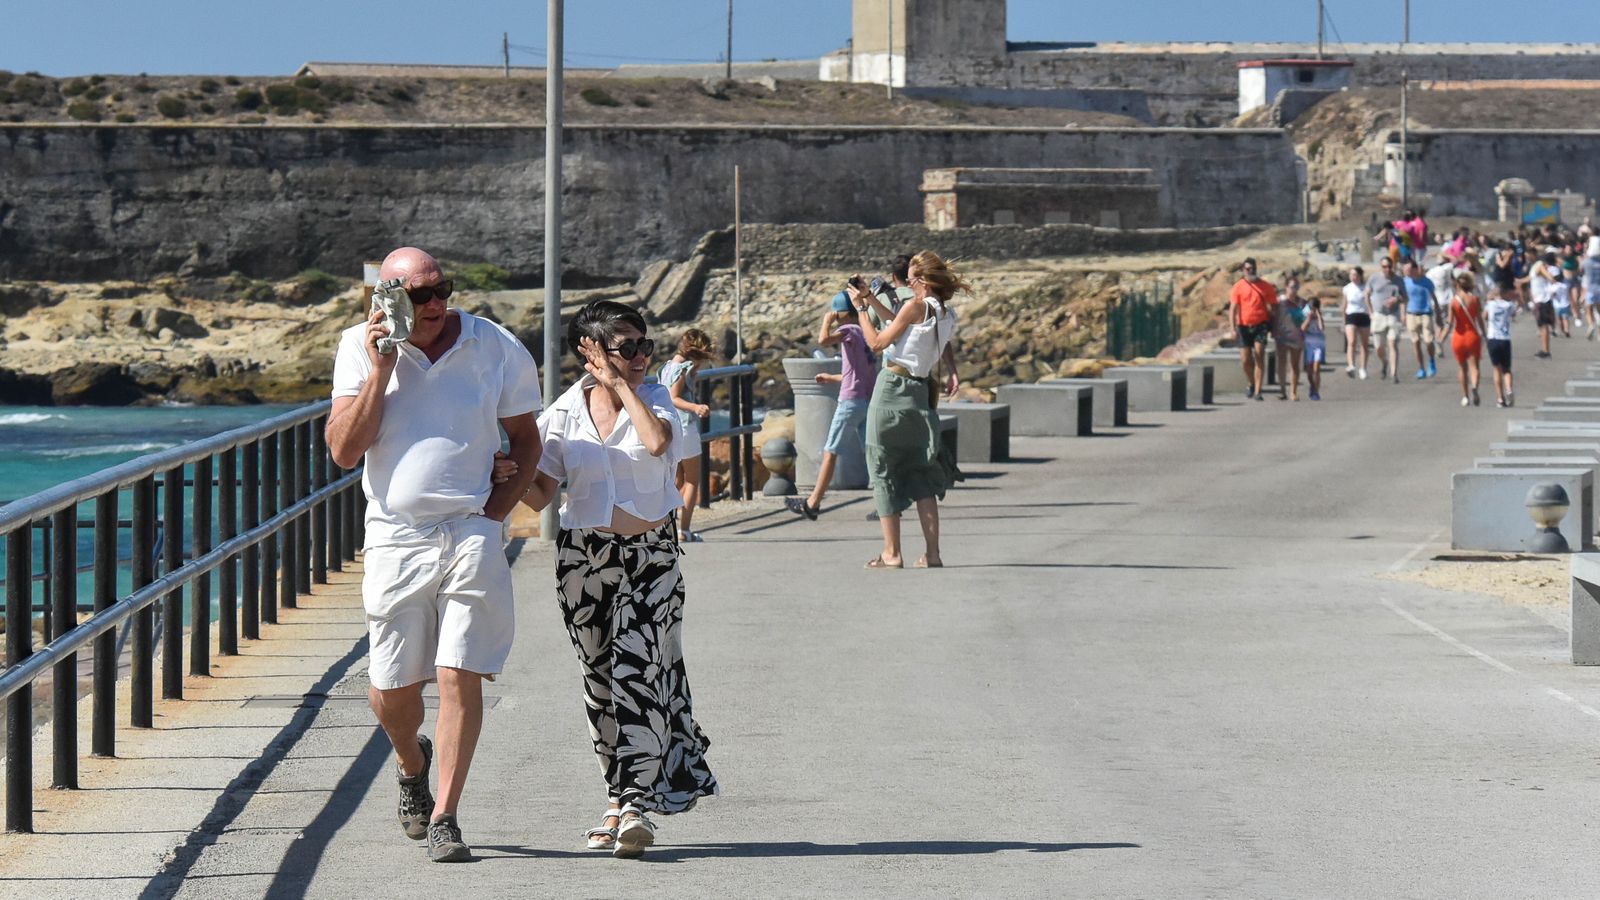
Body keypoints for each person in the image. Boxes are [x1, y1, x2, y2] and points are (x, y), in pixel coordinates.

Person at [326, 247, 543, 863]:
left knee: (458, 671)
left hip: (472, 527)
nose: (435, 303)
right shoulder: (357, 347)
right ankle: (410, 760)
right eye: (418, 295)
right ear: (386, 298)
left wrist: (495, 515)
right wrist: (378, 369)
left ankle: (446, 814)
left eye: (442, 288)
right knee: (392, 686)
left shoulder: (493, 344)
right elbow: (344, 451)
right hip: (395, 533)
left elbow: (526, 439)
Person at [514, 300, 717, 859]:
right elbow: (539, 496)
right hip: (583, 557)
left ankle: (636, 803)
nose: (641, 356)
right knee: (600, 678)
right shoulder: (561, 414)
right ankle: (616, 796)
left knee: (641, 667)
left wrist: (621, 382)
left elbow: (656, 446)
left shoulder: (655, 400)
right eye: (626, 347)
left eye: (644, 344)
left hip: (651, 555)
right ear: (590, 350)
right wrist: (505, 462)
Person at [852, 250, 963, 568]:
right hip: (919, 393)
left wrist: (860, 309)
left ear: (925, 282)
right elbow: (904, 326)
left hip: (891, 391)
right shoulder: (944, 312)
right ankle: (933, 554)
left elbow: (877, 342)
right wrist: (871, 298)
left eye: (914, 280)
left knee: (883, 468)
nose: (910, 285)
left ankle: (892, 552)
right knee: (921, 471)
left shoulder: (915, 306)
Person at [788, 291, 875, 520]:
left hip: (850, 402)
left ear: (842, 313)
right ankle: (886, 502)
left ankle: (812, 502)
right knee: (873, 452)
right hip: (867, 399)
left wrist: (827, 320)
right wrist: (832, 378)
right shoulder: (866, 331)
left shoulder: (849, 330)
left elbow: (823, 341)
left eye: (837, 312)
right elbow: (858, 373)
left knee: (830, 451)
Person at [659, 328, 715, 542]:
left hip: (669, 427)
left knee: (676, 480)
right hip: (685, 427)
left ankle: (669, 528)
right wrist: (695, 407)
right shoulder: (682, 369)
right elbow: (674, 397)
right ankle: (684, 530)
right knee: (692, 481)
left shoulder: (666, 368)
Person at [1229, 258, 1277, 401]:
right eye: (1248, 269)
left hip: (1261, 325)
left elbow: (1274, 307)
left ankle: (1258, 391)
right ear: (1243, 271)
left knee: (1259, 354)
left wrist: (1274, 326)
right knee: (1245, 360)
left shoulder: (1266, 286)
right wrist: (1232, 329)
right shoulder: (1238, 286)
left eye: (1253, 268)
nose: (1251, 271)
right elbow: (1233, 309)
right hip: (1243, 326)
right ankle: (1251, 382)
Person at [1442, 273, 1485, 407]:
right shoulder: (1475, 300)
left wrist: (1442, 337)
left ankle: (1465, 396)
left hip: (1459, 337)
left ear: (1458, 285)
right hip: (1472, 336)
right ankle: (1474, 388)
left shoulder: (1454, 302)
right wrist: (1485, 334)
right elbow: (1479, 319)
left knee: (1462, 368)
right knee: (1474, 366)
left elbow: (1449, 322)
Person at [1366, 256, 1405, 383]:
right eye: (1384, 267)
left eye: (1389, 266)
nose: (1387, 269)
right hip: (1378, 315)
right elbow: (1366, 294)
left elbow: (1405, 297)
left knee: (1392, 343)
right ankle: (1384, 362)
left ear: (1392, 266)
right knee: (1379, 347)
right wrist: (1371, 312)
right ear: (1381, 267)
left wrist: (1396, 299)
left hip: (1393, 314)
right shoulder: (1374, 278)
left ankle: (1394, 373)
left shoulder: (1398, 280)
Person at [1484, 276, 1518, 408]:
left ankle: (1500, 398)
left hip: (1493, 338)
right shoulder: (1509, 305)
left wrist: (1489, 299)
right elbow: (1513, 315)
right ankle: (1508, 389)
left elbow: (1485, 317)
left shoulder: (1490, 304)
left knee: (1496, 369)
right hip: (1505, 338)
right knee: (1507, 369)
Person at [1401, 259, 1439, 379]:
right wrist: (1403, 314)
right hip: (1411, 314)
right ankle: (1421, 368)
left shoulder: (1426, 281)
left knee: (1428, 341)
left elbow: (1434, 298)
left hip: (1425, 313)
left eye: (1408, 270)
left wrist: (1438, 314)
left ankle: (1432, 360)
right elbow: (1403, 299)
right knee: (1415, 342)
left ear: (1414, 269)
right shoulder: (1405, 282)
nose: (1406, 272)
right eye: (1405, 270)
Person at [1273, 275, 1306, 401]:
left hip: (1296, 336)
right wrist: (1274, 331)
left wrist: (1305, 330)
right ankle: (1282, 390)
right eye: (1292, 287)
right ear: (1286, 287)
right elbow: (1274, 316)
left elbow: (1308, 318)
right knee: (1281, 362)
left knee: (1294, 364)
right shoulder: (1279, 301)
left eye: (1296, 287)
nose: (1294, 290)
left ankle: (1293, 391)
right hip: (1282, 336)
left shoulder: (1302, 303)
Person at [1529, 251, 1562, 358]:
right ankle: (1544, 349)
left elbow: (1550, 278)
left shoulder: (1540, 266)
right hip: (1540, 299)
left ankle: (1545, 350)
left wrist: (1551, 277)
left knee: (1543, 326)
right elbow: (1533, 277)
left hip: (1542, 300)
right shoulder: (1539, 266)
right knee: (1542, 326)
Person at [1341, 266, 1372, 379]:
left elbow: (1369, 302)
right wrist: (1344, 320)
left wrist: (1371, 314)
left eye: (1355, 275)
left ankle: (1363, 368)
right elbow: (1344, 305)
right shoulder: (1347, 288)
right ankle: (1351, 365)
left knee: (1364, 343)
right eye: (1351, 275)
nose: (1353, 277)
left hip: (1363, 315)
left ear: (1360, 276)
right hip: (1351, 315)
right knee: (1352, 341)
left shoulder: (1365, 288)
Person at [1302, 296, 1327, 401]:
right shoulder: (1304, 314)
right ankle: (1312, 386)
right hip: (1308, 343)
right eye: (1310, 307)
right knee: (1309, 369)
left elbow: (1322, 328)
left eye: (1314, 307)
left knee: (1316, 368)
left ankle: (1316, 391)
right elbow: (1302, 328)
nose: (1312, 309)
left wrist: (1318, 316)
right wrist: (1308, 319)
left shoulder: (1319, 316)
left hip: (1318, 344)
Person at [1582, 237, 1600, 340]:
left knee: (1588, 310)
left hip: (1590, 289)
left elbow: (1581, 268)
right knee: (1599, 311)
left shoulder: (1587, 262)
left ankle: (1591, 324)